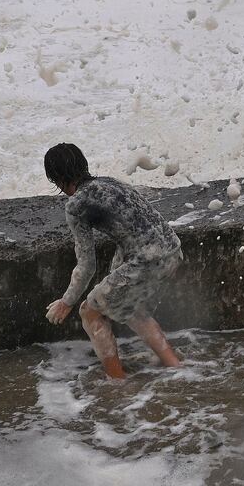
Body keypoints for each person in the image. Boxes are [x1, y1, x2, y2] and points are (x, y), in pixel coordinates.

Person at [43, 142, 185, 379]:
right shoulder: (110, 182)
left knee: (90, 312)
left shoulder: (76, 205)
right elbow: (137, 230)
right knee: (131, 308)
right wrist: (114, 280)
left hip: (147, 259)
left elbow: (87, 265)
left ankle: (117, 383)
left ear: (56, 178)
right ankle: (177, 368)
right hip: (172, 250)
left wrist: (66, 302)